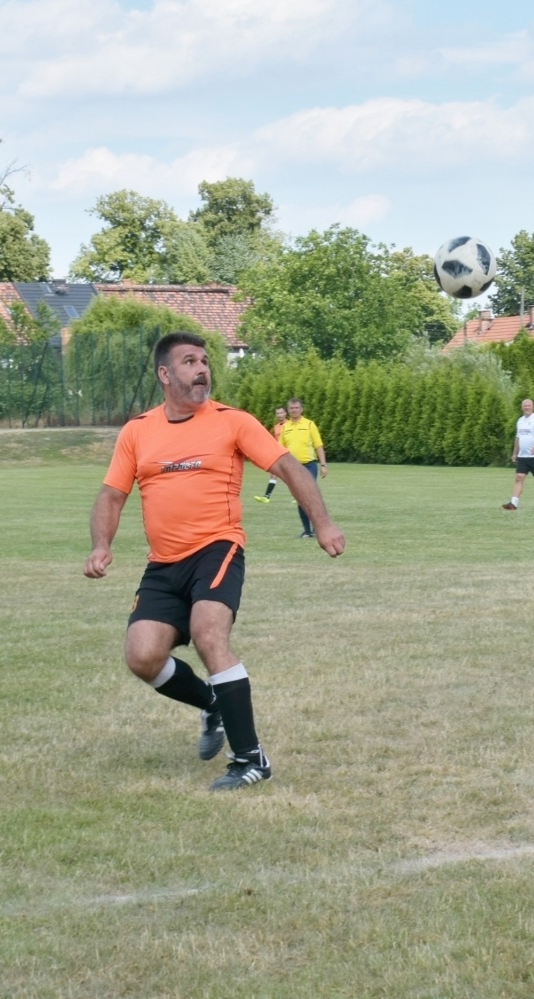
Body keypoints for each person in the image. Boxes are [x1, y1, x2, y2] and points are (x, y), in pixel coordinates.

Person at [84, 332, 346, 790]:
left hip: (216, 548)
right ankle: (212, 704)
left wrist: (322, 523)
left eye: (205, 361)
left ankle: (250, 758)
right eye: (189, 361)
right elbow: (111, 495)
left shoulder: (233, 422)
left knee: (208, 633)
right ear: (165, 374)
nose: (202, 369)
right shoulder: (137, 431)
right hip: (163, 564)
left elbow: (288, 467)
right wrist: (101, 545)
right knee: (143, 656)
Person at [277, 398, 327, 538]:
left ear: (301, 409)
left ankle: (318, 528)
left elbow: (318, 445)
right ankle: (307, 530)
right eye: (291, 408)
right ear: (288, 410)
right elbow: (280, 449)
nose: (294, 410)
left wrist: (323, 465)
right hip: (294, 467)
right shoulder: (285, 428)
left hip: (309, 465)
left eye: (296, 408)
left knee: (310, 495)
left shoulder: (309, 424)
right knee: (300, 497)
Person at [504, 398, 534, 509]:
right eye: (525, 405)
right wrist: (515, 453)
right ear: (522, 407)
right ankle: (513, 504)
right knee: (519, 477)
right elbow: (518, 438)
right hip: (523, 456)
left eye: (529, 405)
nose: (527, 407)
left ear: (533, 407)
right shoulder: (520, 421)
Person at [253, 406, 288, 503]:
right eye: (278, 413)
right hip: (279, 454)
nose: (280, 415)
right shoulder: (276, 427)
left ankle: (298, 498)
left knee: (292, 476)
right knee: (274, 474)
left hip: (290, 454)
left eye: (281, 413)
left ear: (285, 413)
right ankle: (267, 496)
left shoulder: (290, 425)